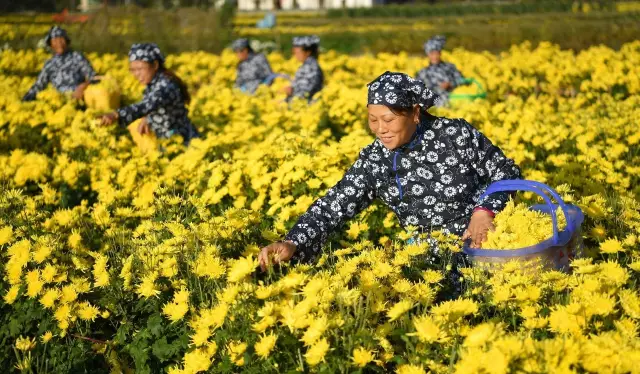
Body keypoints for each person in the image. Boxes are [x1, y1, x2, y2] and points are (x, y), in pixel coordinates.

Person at [259, 71, 521, 270]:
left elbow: (507, 173)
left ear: (415, 113)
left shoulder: (456, 134)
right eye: (373, 120)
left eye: (388, 119)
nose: (380, 129)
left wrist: (485, 211)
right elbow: (333, 206)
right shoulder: (376, 158)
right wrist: (293, 242)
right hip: (425, 264)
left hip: (486, 245)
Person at [99, 43, 199, 145]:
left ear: (155, 65)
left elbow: (147, 105)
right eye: (133, 70)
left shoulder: (165, 86)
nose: (136, 74)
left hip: (182, 143)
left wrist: (117, 114)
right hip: (167, 142)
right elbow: (158, 106)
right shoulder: (153, 82)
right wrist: (148, 118)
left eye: (140, 69)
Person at [22, 26, 95, 102]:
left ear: (66, 41)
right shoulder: (49, 64)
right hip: (59, 101)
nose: (59, 43)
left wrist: (82, 87)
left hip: (79, 99)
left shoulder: (78, 57)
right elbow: (39, 85)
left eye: (61, 39)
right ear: (50, 44)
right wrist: (27, 97)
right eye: (55, 40)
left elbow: (94, 78)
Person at [416, 35, 469, 106]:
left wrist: (450, 84)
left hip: (455, 103)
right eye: (432, 54)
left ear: (440, 53)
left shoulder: (450, 67)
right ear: (428, 55)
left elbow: (463, 81)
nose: (434, 56)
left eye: (436, 53)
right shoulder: (423, 73)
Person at [283, 35, 324, 102]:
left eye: (297, 52)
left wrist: (291, 92)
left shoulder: (310, 67)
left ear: (308, 52)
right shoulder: (308, 65)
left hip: (306, 106)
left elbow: (305, 92)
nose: (295, 54)